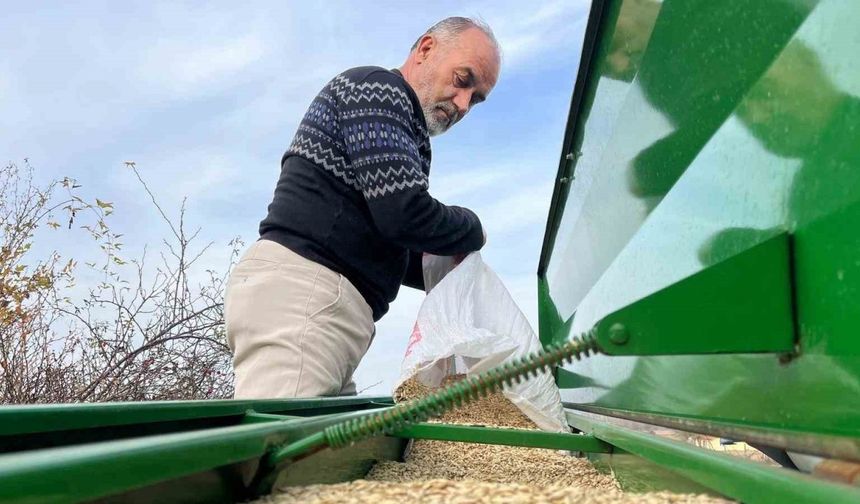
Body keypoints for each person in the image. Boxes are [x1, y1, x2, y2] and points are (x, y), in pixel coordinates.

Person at [225, 17, 501, 399]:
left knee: (331, 454)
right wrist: (473, 229)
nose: (464, 104)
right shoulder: (376, 89)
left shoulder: (400, 124)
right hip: (307, 298)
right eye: (462, 80)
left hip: (326, 308)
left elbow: (385, 236)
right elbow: (405, 213)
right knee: (276, 448)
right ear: (425, 50)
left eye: (477, 98)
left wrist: (444, 271)